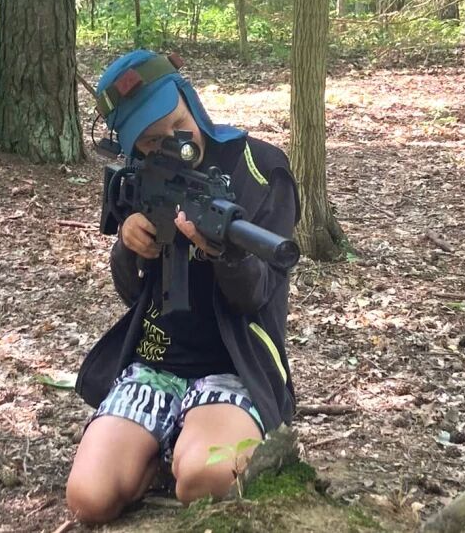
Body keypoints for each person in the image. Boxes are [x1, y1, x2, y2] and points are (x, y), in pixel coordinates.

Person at [65, 50, 300, 524]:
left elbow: (257, 297)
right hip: (155, 363)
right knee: (88, 499)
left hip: (237, 367)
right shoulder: (140, 176)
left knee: (202, 479)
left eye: (175, 123)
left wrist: (225, 254)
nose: (172, 142)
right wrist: (128, 244)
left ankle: (190, 443)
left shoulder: (260, 168)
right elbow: (133, 294)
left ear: (189, 98)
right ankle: (158, 447)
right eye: (150, 141)